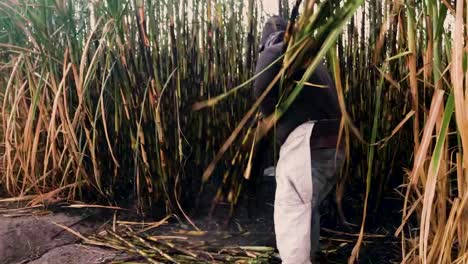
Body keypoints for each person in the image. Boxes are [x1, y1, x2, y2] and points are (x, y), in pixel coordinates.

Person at [253, 16, 344, 264]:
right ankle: (309, 255)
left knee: (292, 208)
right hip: (333, 146)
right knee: (306, 206)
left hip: (308, 143)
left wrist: (269, 113)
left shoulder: (276, 50)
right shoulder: (312, 60)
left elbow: (261, 89)